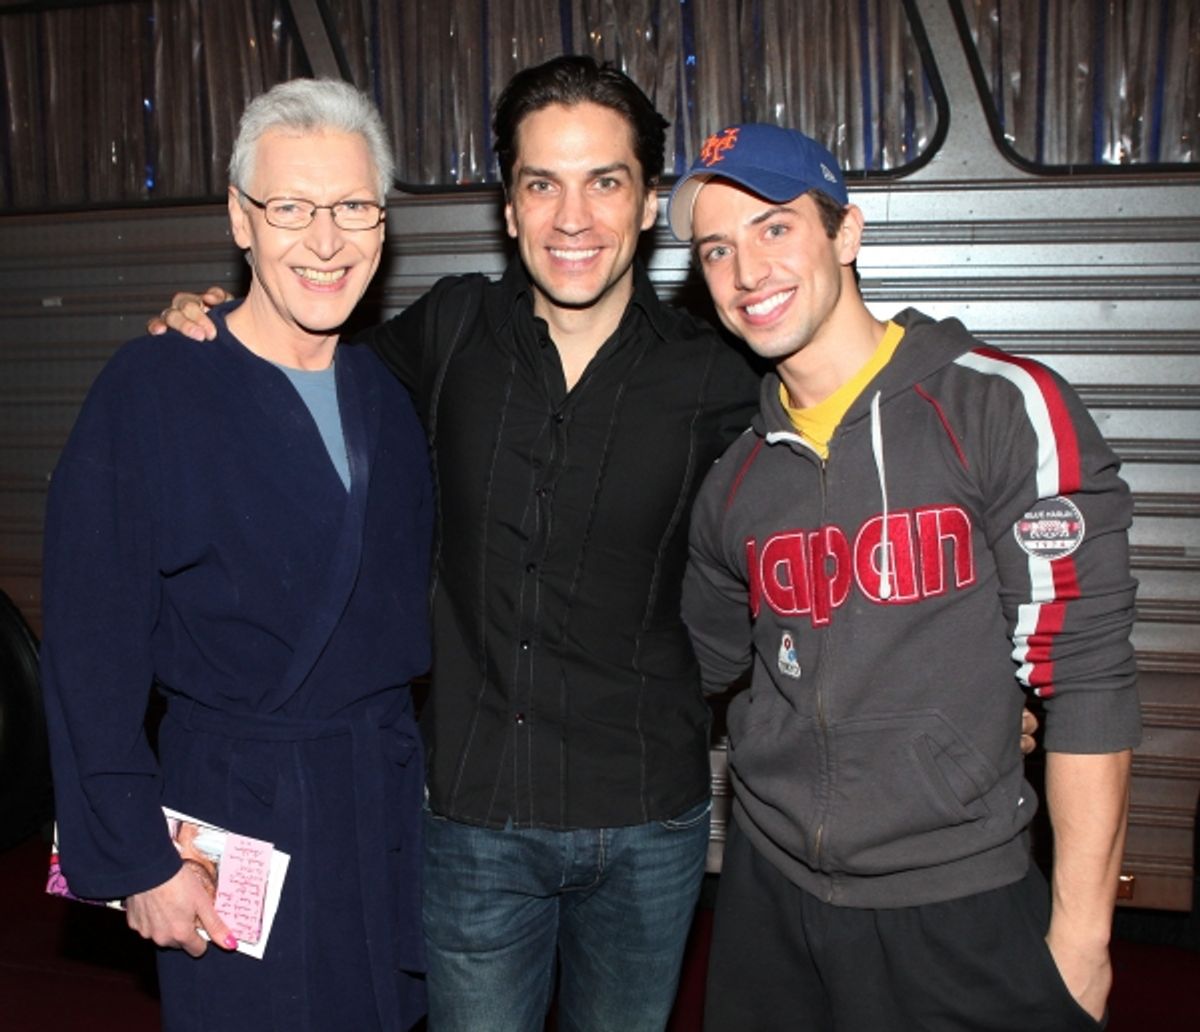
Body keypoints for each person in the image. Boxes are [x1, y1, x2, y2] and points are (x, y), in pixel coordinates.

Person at [152, 56, 761, 1032]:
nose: (573, 218)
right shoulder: (448, 332)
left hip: (649, 819)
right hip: (473, 823)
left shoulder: (717, 373)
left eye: (605, 182)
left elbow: (846, 462)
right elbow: (300, 371)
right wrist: (214, 323)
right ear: (508, 208)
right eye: (541, 184)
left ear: (650, 204)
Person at [669, 123, 1141, 1031]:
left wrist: (1083, 943)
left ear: (846, 234)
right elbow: (695, 666)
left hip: (956, 892)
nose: (745, 272)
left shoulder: (999, 406)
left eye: (775, 228)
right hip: (769, 894)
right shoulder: (736, 476)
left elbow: (1088, 680)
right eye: (716, 248)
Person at [43, 79, 432, 1031]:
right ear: (239, 219)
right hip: (234, 815)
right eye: (291, 208)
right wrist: (138, 858)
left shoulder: (385, 391)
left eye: (352, 208)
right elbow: (90, 648)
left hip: (376, 807)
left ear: (382, 224)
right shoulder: (154, 386)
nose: (326, 240)